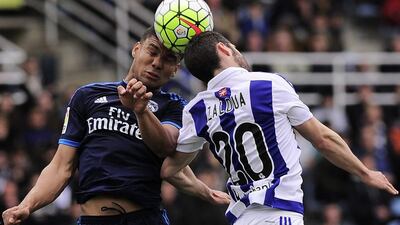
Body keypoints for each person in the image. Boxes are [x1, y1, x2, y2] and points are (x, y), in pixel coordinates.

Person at [160, 31, 399, 225]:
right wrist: (366, 173)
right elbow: (322, 139)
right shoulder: (268, 85)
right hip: (279, 214)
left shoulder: (196, 109)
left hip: (241, 218)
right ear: (224, 49)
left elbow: (170, 170)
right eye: (235, 47)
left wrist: (204, 191)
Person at [2, 27, 230, 225]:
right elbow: (61, 167)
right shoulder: (87, 96)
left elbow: (167, 149)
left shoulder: (174, 106)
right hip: (93, 220)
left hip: (145, 218)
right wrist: (27, 205)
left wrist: (141, 111)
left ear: (175, 70)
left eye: (169, 59)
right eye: (152, 51)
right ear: (136, 49)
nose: (157, 63)